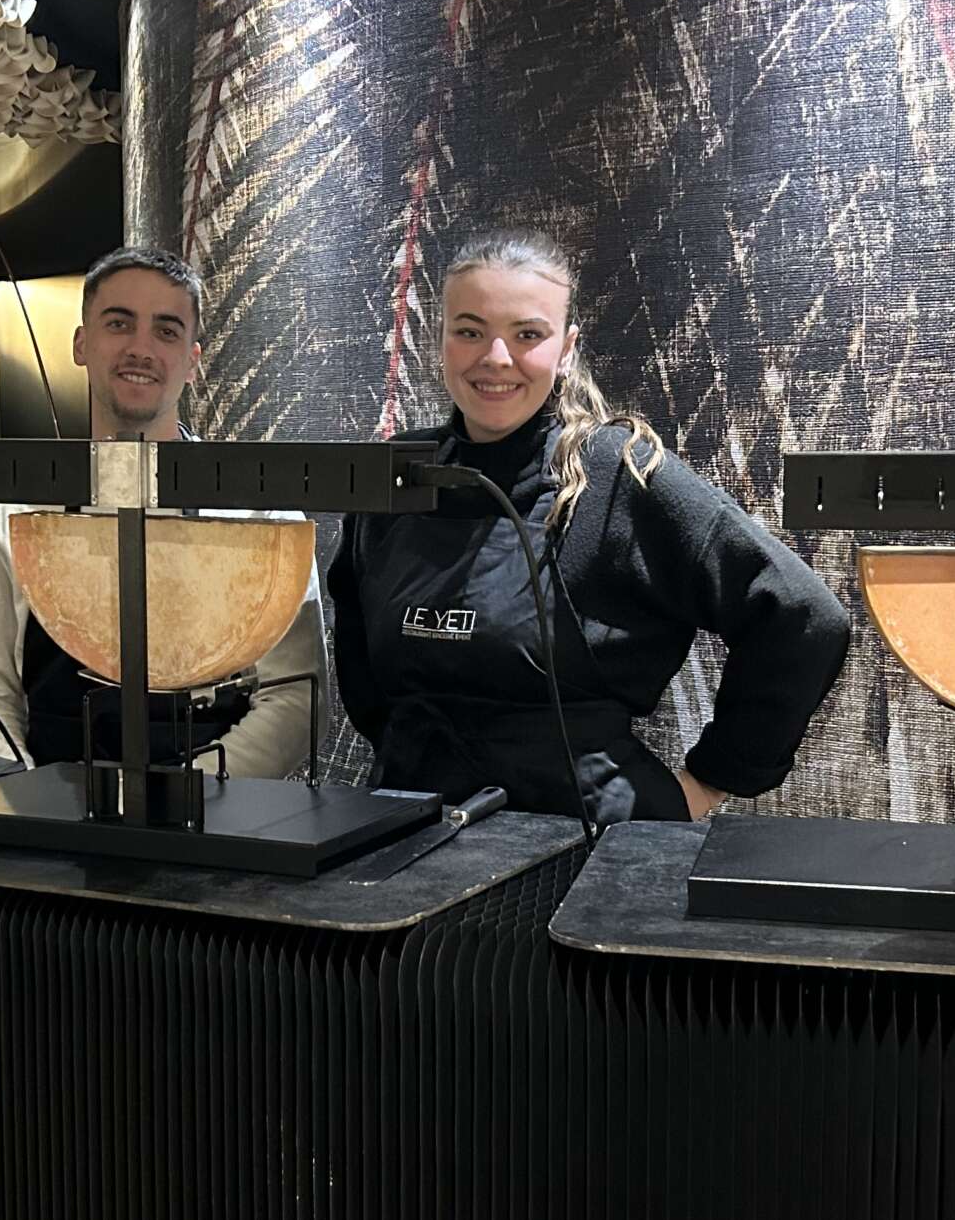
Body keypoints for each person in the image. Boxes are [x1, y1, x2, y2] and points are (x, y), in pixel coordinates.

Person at [328, 226, 849, 824]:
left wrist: (713, 779)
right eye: (469, 331)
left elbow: (802, 616)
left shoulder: (619, 475)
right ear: (440, 338)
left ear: (567, 348)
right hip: (411, 830)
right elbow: (361, 664)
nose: (495, 357)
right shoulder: (394, 478)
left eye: (527, 335)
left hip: (586, 846)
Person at [0, 244, 321, 775]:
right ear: (82, 343)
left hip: (218, 809)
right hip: (54, 806)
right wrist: (22, 792)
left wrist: (188, 797)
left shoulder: (260, 516)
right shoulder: (23, 511)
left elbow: (296, 699)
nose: (140, 349)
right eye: (119, 323)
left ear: (192, 361)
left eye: (166, 331)